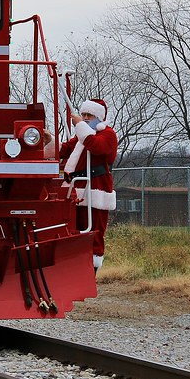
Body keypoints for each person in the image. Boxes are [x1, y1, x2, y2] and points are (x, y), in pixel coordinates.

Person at [59, 98, 118, 273]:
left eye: (89, 115)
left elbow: (97, 146)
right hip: (77, 190)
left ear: (98, 117)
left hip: (96, 191)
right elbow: (63, 150)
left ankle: (92, 267)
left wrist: (79, 126)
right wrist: (48, 140)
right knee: (74, 231)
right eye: (83, 115)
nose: (84, 118)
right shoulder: (81, 136)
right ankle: (72, 268)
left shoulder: (107, 135)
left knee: (95, 232)